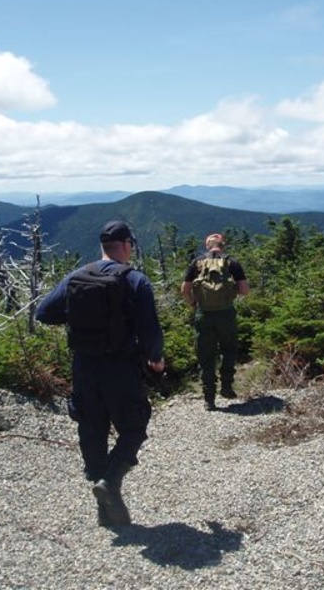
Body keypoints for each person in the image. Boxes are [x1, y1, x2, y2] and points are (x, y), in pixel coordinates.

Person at [35, 221, 165, 527]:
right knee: (134, 426)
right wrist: (156, 359)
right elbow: (151, 330)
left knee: (91, 430)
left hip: (84, 367)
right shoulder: (135, 280)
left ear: (102, 247)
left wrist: (82, 319)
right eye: (130, 243)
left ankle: (105, 507)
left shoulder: (76, 277)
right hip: (120, 367)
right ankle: (110, 482)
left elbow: (44, 313)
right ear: (124, 245)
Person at [181, 233, 249, 411]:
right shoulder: (231, 262)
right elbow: (244, 290)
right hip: (226, 314)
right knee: (229, 350)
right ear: (223, 246)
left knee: (206, 356)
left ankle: (209, 399)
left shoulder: (197, 262)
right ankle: (226, 386)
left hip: (204, 315)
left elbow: (185, 289)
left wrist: (194, 304)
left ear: (207, 246)